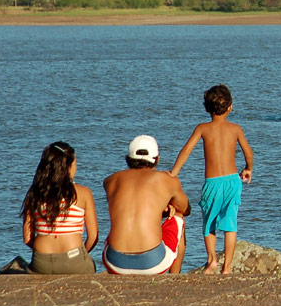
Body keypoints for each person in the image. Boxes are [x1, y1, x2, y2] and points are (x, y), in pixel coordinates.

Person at [169, 84, 254, 275]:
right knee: (230, 224)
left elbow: (186, 150)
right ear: (230, 107)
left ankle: (212, 260)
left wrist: (174, 173)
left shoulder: (202, 128)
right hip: (233, 181)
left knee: (209, 224)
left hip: (213, 183)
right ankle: (228, 267)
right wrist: (248, 169)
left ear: (206, 107)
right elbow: (248, 152)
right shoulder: (236, 129)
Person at [102, 135, 190, 275]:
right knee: (178, 216)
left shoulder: (110, 181)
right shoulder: (166, 180)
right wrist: (167, 205)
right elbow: (185, 209)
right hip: (152, 263)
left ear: (128, 159)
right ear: (157, 159)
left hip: (114, 262)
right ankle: (174, 277)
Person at [20, 141, 98, 274]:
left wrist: (44, 253)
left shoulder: (36, 193)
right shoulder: (83, 193)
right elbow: (93, 236)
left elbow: (27, 237)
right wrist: (82, 254)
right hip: (75, 259)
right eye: (75, 164)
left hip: (42, 260)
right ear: (68, 166)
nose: (76, 168)